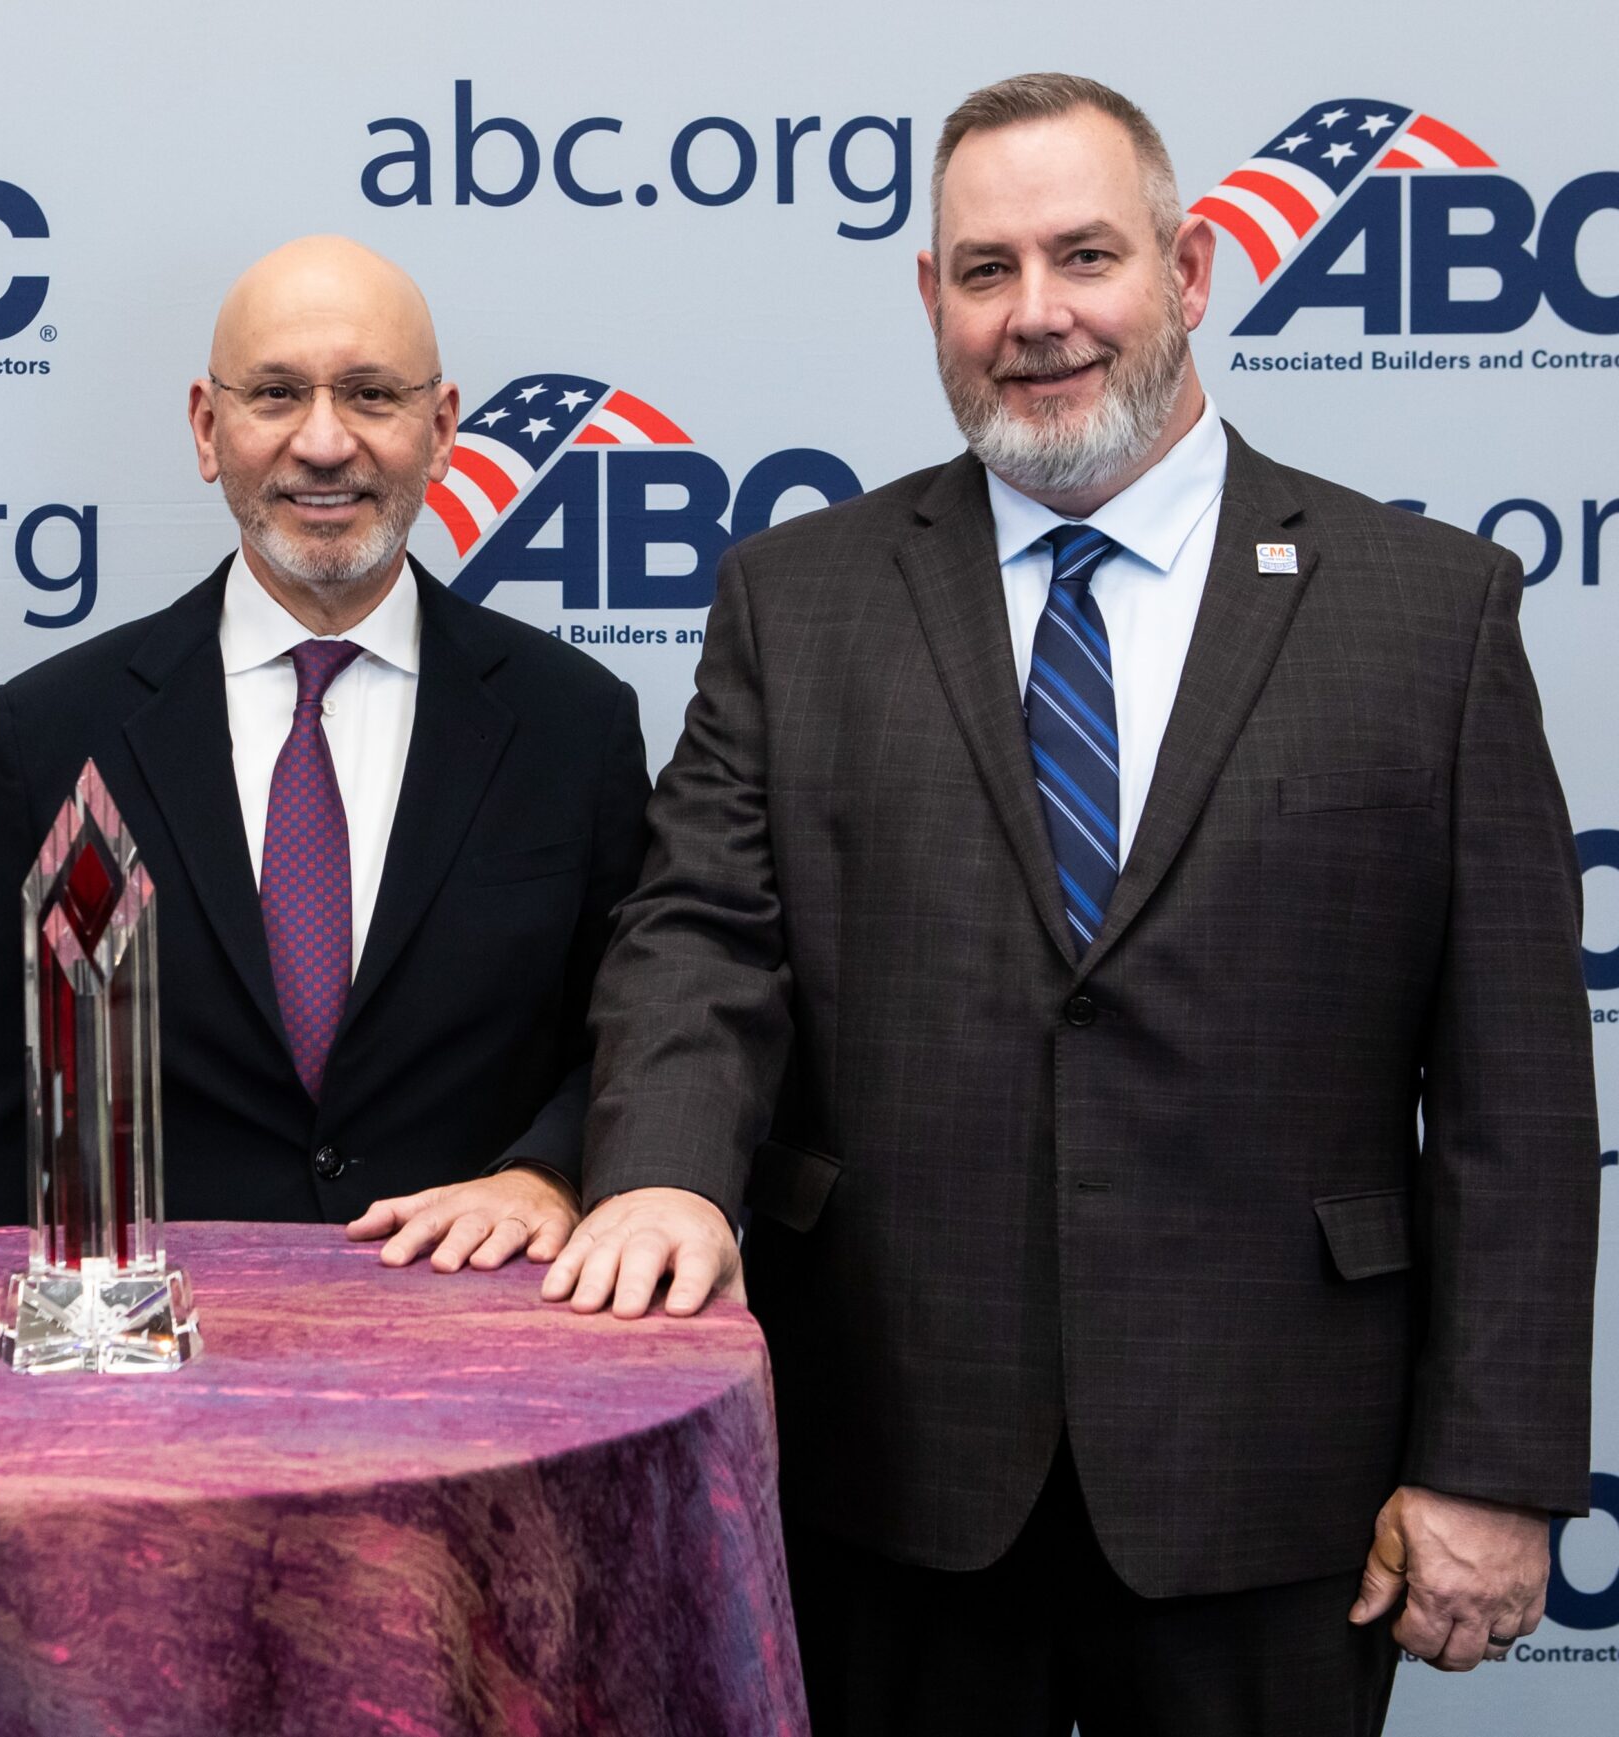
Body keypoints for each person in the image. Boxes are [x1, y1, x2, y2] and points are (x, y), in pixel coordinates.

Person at [544, 72, 1598, 1735]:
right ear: (932, 298)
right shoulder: (798, 601)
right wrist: (668, 1172)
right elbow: (700, 936)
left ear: (1189, 273)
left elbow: (1515, 1094)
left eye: (1085, 256)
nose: (1035, 314)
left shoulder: (1427, 615)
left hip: (1275, 1479)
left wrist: (1492, 1461)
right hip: (889, 1467)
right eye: (986, 270)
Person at [0, 236, 648, 1264]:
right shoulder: (58, 731)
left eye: (371, 395)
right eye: (275, 394)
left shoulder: (574, 724)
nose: (324, 441)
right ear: (207, 428)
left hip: (475, 1323)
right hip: (152, 1341)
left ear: (442, 430)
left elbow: (635, 1033)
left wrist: (549, 1171)